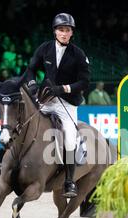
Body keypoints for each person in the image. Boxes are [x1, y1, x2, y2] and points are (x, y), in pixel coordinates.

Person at [23, 13, 90, 198]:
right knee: (25, 122)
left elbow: (84, 82)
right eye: (61, 29)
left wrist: (63, 89)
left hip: (67, 103)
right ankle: (8, 163)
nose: (64, 33)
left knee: (69, 137)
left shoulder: (78, 54)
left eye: (67, 30)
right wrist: (33, 85)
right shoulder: (44, 48)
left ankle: (69, 181)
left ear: (71, 33)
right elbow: (30, 69)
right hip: (46, 98)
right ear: (55, 31)